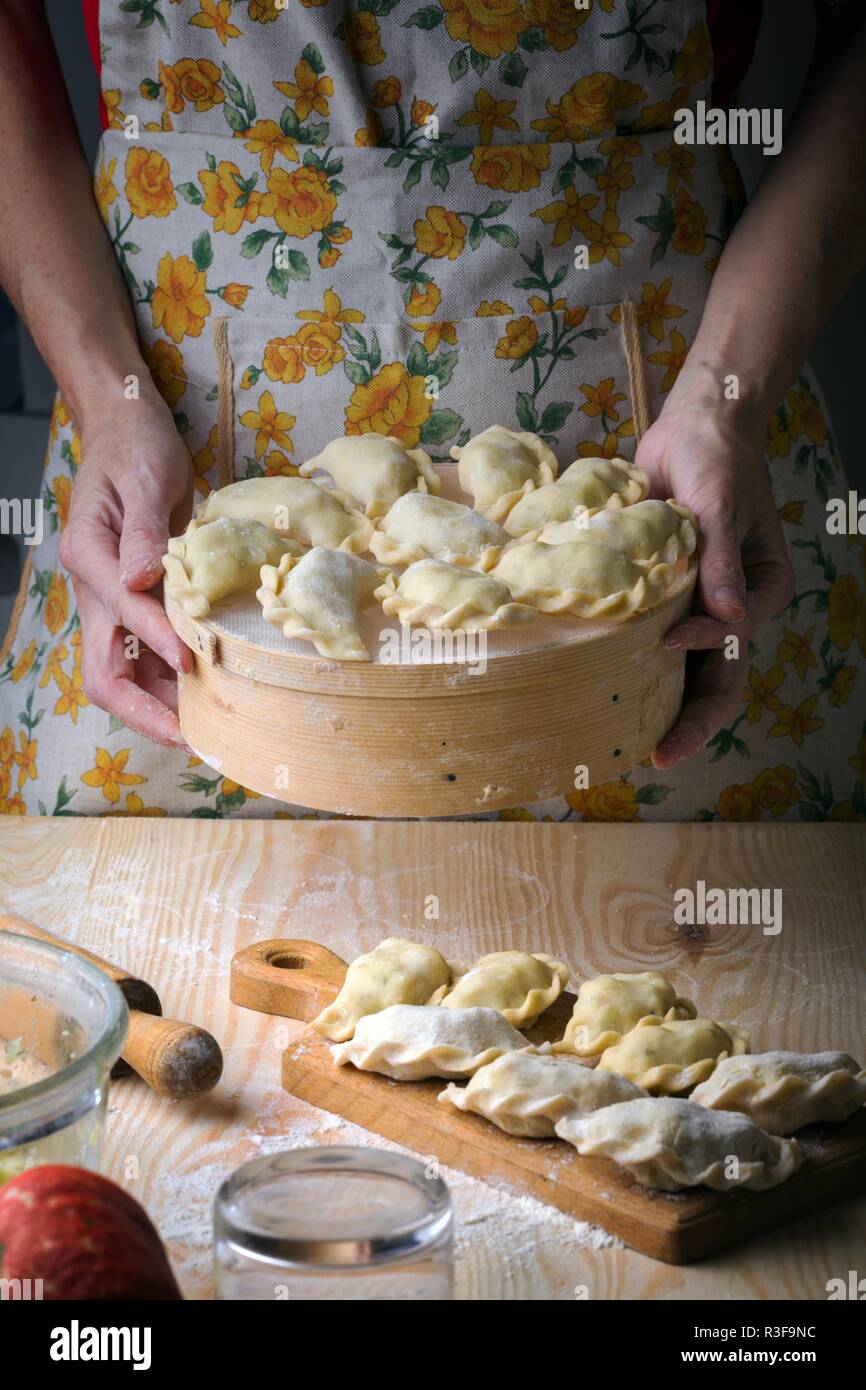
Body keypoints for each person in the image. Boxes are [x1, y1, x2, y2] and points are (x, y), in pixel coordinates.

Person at [0, 0, 864, 823]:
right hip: (166, 489)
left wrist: (726, 399)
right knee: (141, 944)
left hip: (685, 459)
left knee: (744, 939)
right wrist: (104, 393)